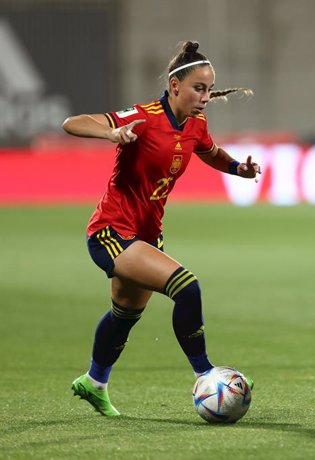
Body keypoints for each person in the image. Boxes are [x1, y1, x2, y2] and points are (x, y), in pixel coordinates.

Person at [63, 41, 260, 417]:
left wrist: (238, 169)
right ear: (174, 86)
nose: (205, 97)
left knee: (125, 313)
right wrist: (111, 134)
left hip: (146, 235)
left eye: (209, 89)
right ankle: (207, 375)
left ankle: (94, 382)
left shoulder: (195, 123)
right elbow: (72, 123)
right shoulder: (143, 116)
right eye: (198, 88)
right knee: (187, 288)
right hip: (111, 230)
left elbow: (210, 150)